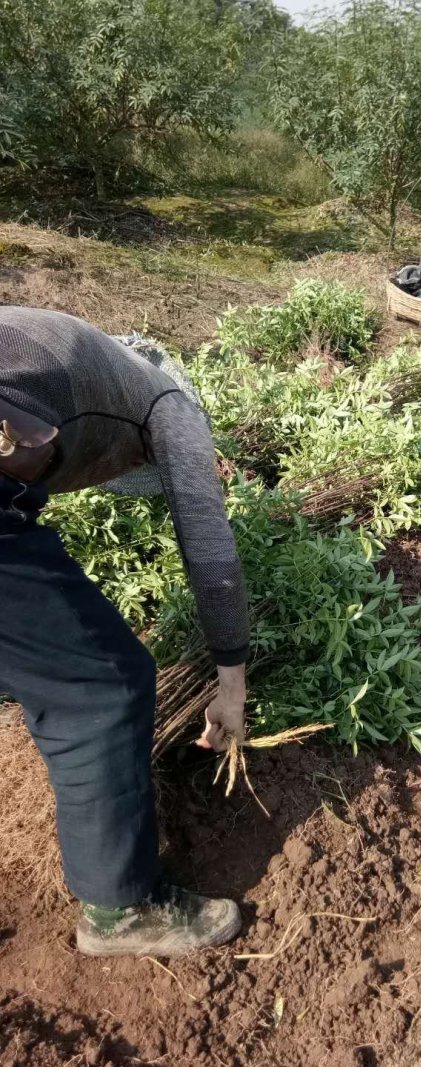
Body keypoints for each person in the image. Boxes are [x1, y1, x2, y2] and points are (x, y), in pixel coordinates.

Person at [0, 306, 249, 957]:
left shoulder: (72, 350)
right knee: (103, 683)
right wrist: (231, 679)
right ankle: (122, 910)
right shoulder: (173, 408)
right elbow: (211, 552)